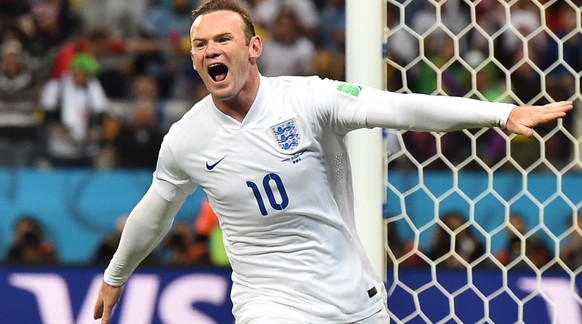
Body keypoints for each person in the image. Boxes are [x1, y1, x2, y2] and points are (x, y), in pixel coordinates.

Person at [93, 0, 573, 323]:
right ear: (193, 58)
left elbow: (403, 108)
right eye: (200, 44)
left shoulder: (308, 100)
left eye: (223, 39)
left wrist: (501, 113)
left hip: (353, 300)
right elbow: (156, 210)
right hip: (268, 303)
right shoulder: (186, 139)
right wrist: (116, 275)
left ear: (253, 48)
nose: (211, 50)